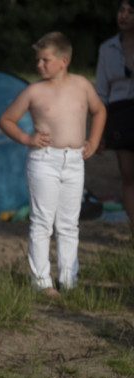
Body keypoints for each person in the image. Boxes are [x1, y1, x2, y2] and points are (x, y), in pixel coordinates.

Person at [0, 32, 106, 297]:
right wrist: (26, 137)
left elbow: (99, 110)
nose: (39, 65)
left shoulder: (81, 85)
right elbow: (6, 119)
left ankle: (70, 280)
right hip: (44, 161)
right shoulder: (34, 91)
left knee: (69, 223)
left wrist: (92, 140)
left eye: (45, 60)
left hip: (74, 160)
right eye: (38, 60)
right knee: (43, 221)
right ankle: (42, 281)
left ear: (63, 60)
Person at [96, 0, 134, 242]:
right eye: (121, 10)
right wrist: (98, 132)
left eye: (131, 11)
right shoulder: (107, 48)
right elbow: (101, 92)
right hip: (120, 113)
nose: (124, 15)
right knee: (128, 174)